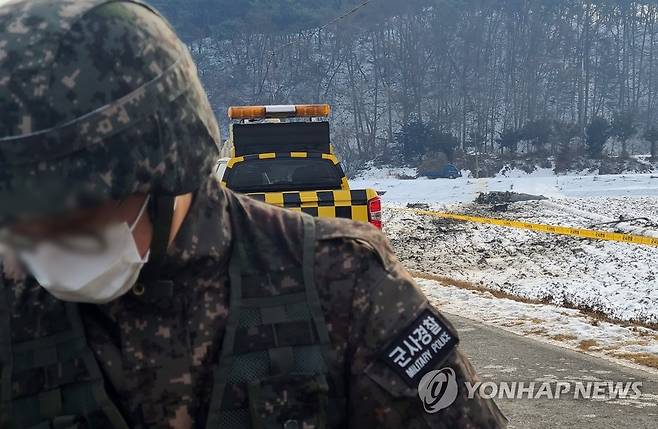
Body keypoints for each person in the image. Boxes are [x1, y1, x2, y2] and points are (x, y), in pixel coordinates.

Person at [0, 1, 508, 428]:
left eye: (70, 212)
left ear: (169, 166)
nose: (36, 242)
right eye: (13, 216)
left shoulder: (344, 288)